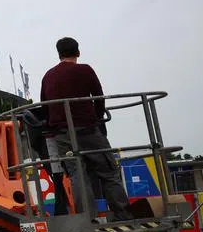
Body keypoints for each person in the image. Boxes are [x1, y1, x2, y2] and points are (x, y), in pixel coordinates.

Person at [39, 37, 133, 221]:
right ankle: (123, 214)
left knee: (77, 175)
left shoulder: (48, 76)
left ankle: (87, 219)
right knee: (108, 172)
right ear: (78, 52)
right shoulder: (85, 70)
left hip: (62, 135)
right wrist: (97, 118)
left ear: (59, 54)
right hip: (88, 130)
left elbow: (45, 106)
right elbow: (99, 97)